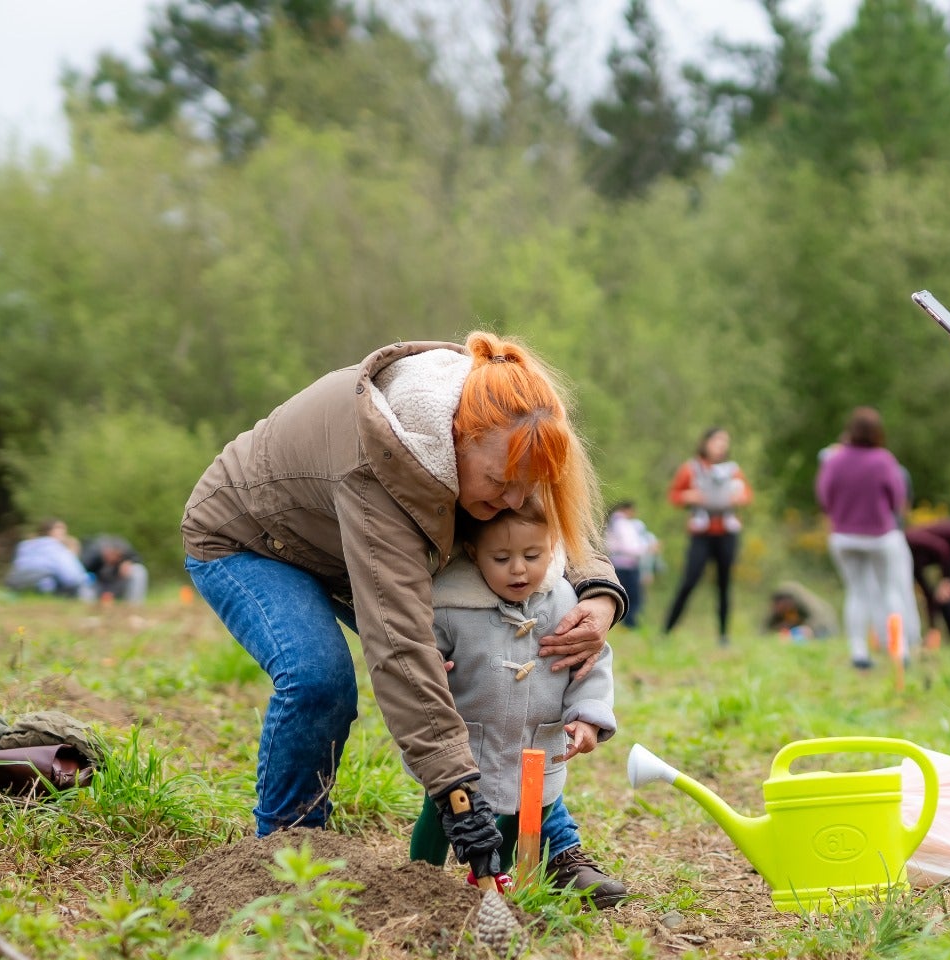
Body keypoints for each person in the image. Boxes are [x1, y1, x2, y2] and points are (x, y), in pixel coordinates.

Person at [183, 332, 627, 887]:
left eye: (526, 486)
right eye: (499, 485)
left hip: (348, 539)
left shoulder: (502, 426)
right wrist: (459, 800)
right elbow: (401, 648)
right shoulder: (380, 466)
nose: (514, 503)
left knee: (495, 663)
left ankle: (554, 845)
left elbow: (555, 526)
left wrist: (600, 595)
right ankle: (286, 856)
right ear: (454, 443)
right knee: (319, 678)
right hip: (252, 540)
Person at [411, 501, 626, 906]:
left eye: (532, 556)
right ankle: (420, 877)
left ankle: (497, 877)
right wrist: (432, 665)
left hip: (536, 738)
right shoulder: (449, 603)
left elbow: (590, 665)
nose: (519, 570)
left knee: (520, 814)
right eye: (501, 558)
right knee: (442, 812)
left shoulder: (564, 602)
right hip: (469, 739)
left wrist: (588, 717)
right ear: (474, 554)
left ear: (553, 547)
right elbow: (420, 651)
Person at [816, 407, 920, 669]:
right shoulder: (883, 460)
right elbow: (898, 499)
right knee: (889, 591)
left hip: (843, 537)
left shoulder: (834, 460)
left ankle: (859, 653)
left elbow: (823, 496)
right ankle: (900, 650)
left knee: (856, 592)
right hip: (880, 536)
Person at [662, 428, 751, 643]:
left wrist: (739, 498)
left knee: (724, 584)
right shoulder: (691, 469)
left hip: (726, 534)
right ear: (706, 443)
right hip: (701, 534)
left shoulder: (732, 471)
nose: (721, 445)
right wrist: (688, 496)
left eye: (725, 441)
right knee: (689, 581)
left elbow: (747, 494)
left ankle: (723, 636)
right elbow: (674, 495)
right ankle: (666, 631)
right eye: (717, 440)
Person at [4, 518, 91, 598]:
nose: (64, 536)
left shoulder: (24, 545)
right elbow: (73, 577)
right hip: (44, 589)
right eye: (62, 532)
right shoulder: (55, 547)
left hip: (18, 588)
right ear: (52, 532)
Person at [604, 501, 656, 629]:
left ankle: (620, 623)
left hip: (615, 564)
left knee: (620, 595)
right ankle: (629, 624)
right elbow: (630, 546)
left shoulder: (612, 523)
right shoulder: (622, 524)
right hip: (627, 564)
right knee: (632, 596)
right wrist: (646, 548)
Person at [79, 534, 149, 604]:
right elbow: (81, 571)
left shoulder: (124, 553)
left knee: (138, 570)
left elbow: (137, 558)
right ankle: (88, 606)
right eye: (110, 554)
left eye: (116, 555)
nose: (112, 558)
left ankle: (134, 605)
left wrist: (128, 563)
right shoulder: (93, 554)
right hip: (97, 585)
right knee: (84, 581)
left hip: (117, 584)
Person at [764, 581, 838, 640]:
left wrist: (808, 628)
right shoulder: (776, 609)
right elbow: (765, 629)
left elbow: (818, 619)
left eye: (785, 606)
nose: (783, 609)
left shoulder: (806, 603)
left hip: (822, 628)